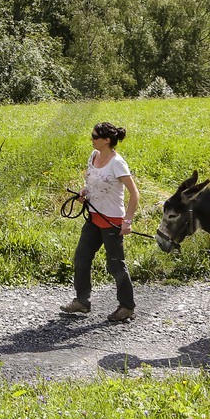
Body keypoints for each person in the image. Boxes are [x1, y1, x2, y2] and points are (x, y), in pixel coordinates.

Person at [61, 121, 139, 323]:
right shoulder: (94, 156)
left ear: (106, 140)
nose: (91, 139)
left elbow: (134, 194)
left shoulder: (117, 163)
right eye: (92, 135)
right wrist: (84, 192)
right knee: (81, 258)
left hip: (112, 221)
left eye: (95, 136)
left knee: (115, 266)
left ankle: (127, 307)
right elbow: (92, 182)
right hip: (94, 218)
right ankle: (82, 301)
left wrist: (127, 222)